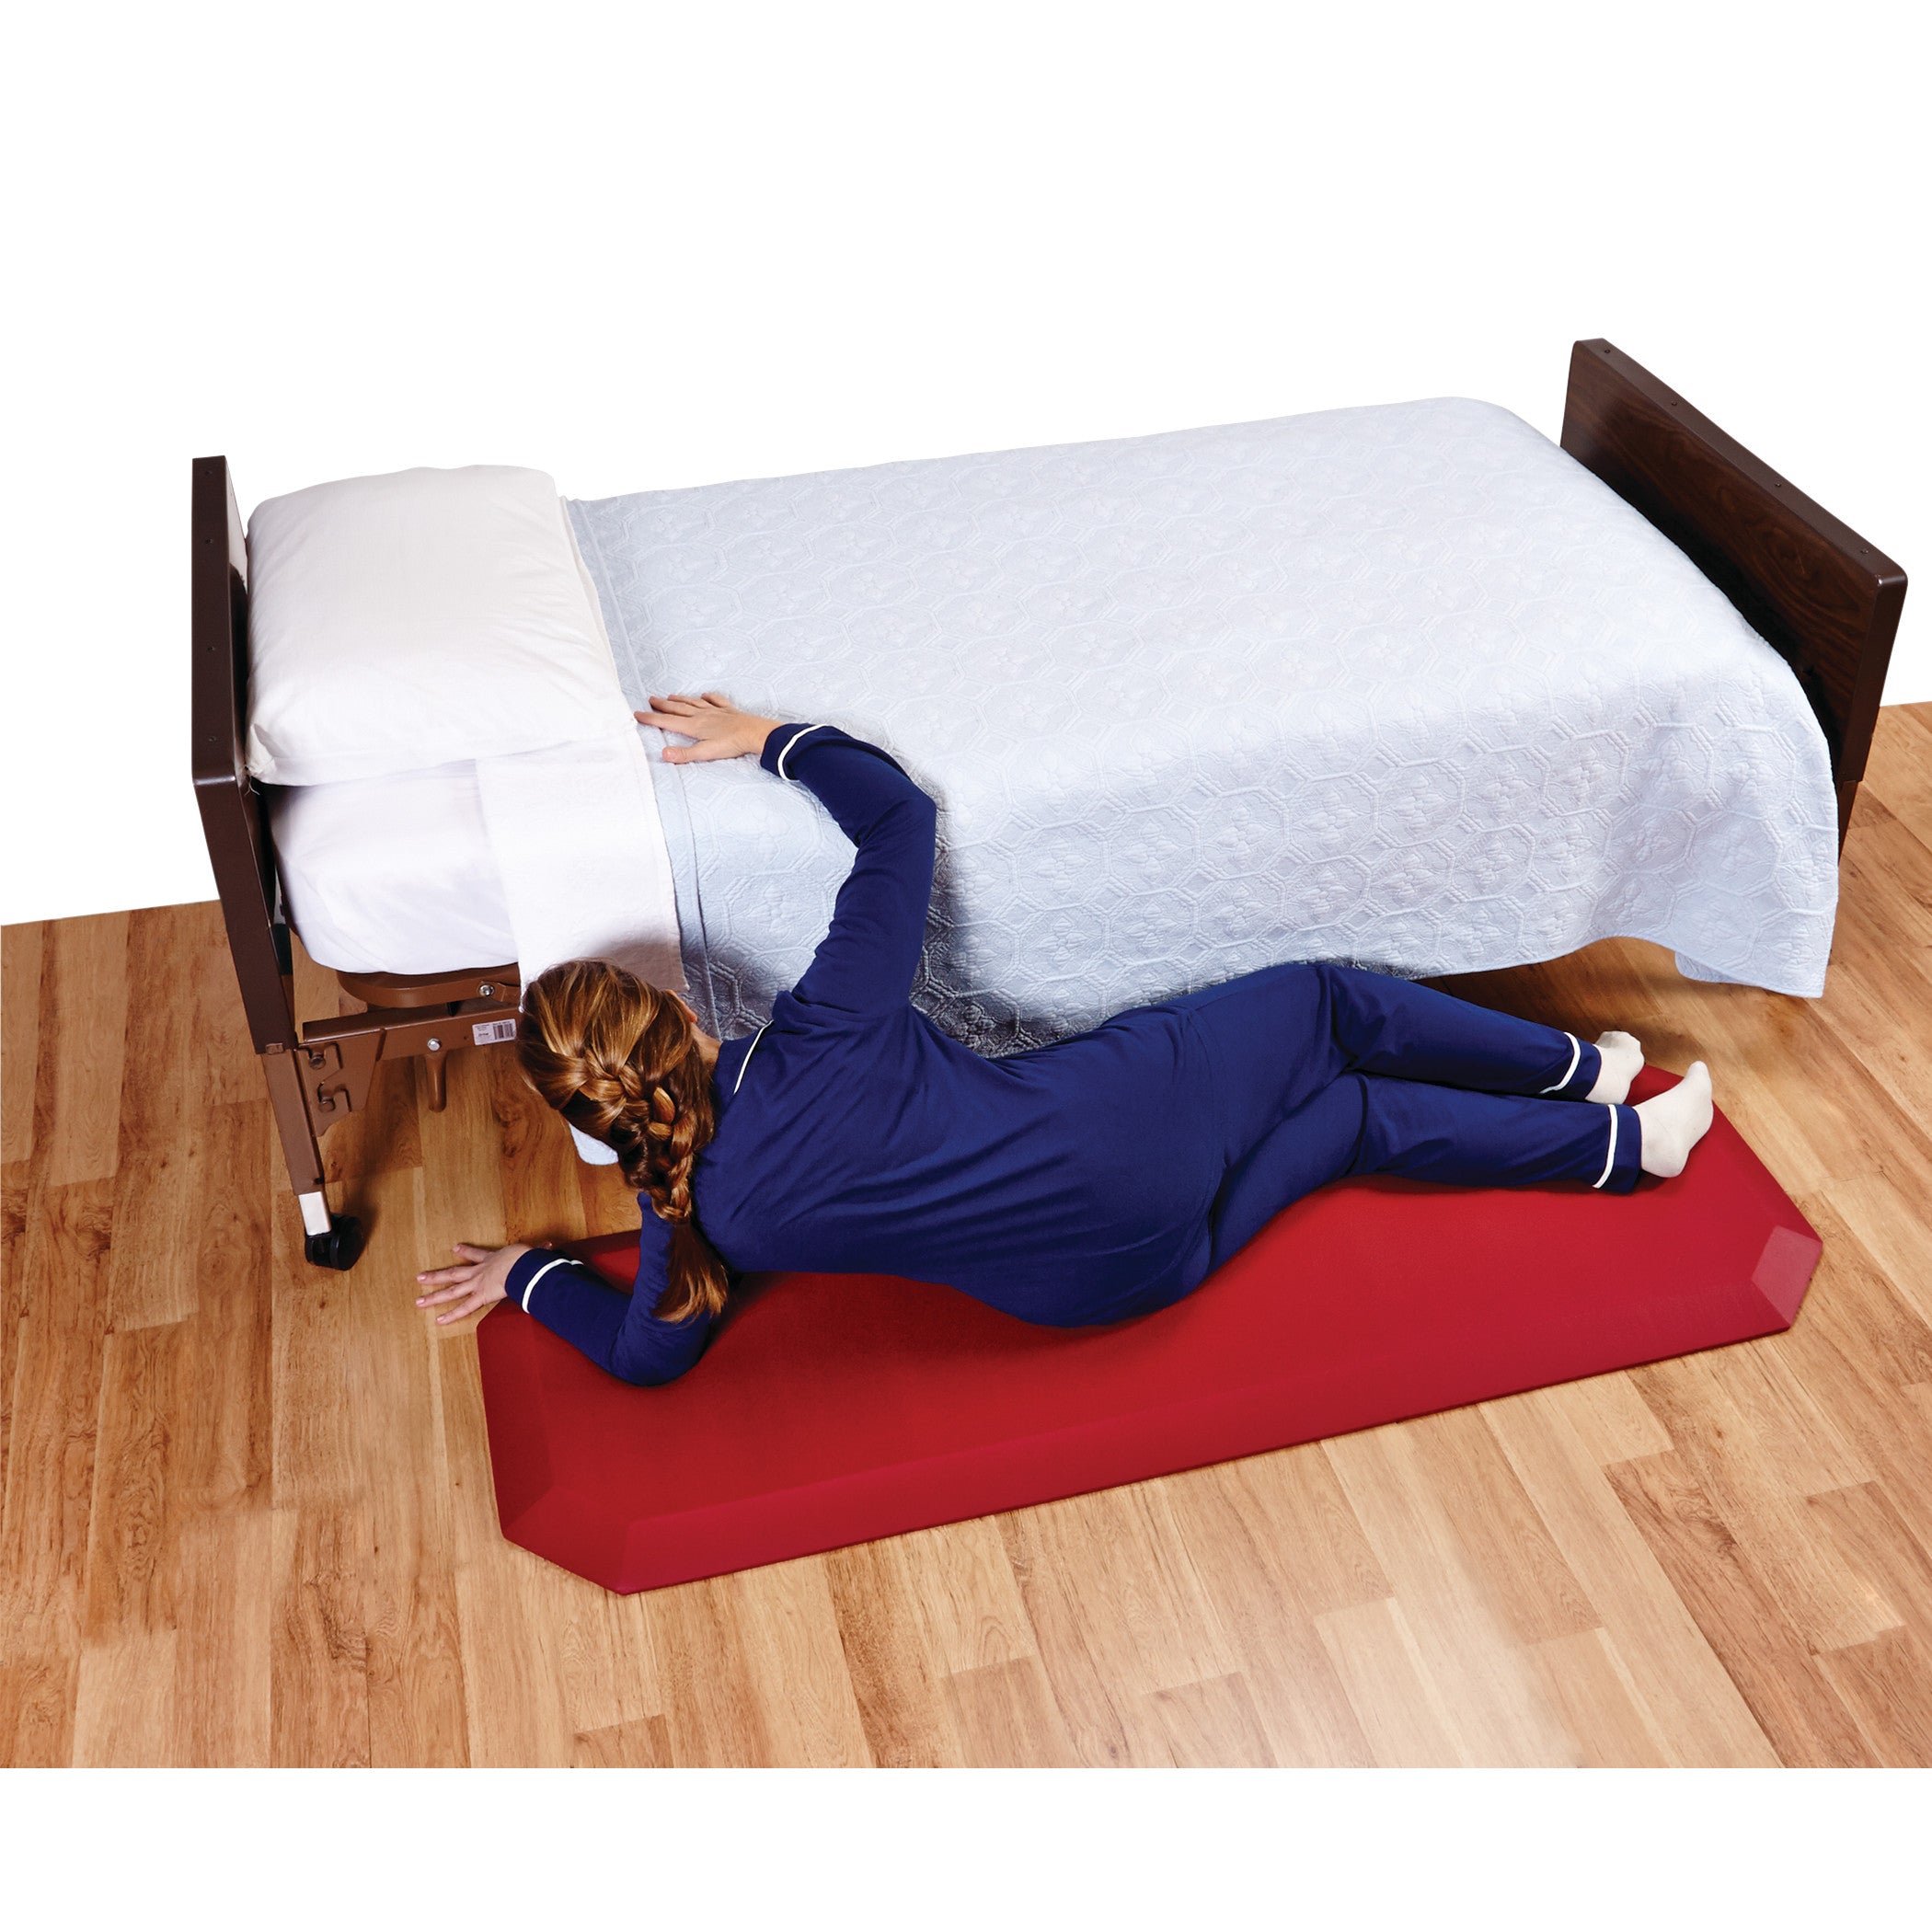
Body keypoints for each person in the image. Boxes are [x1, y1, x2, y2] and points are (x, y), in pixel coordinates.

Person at [415, 694, 1715, 1384]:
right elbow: (897, 822)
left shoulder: (686, 1210)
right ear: (687, 1017)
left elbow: (647, 1358)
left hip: (1111, 1286)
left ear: (599, 1117)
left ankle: (1620, 1147)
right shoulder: (825, 1031)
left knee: (1351, 1119)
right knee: (1326, 1009)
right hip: (1122, 1135)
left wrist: (526, 1280)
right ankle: (1584, 1074)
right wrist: (772, 738)